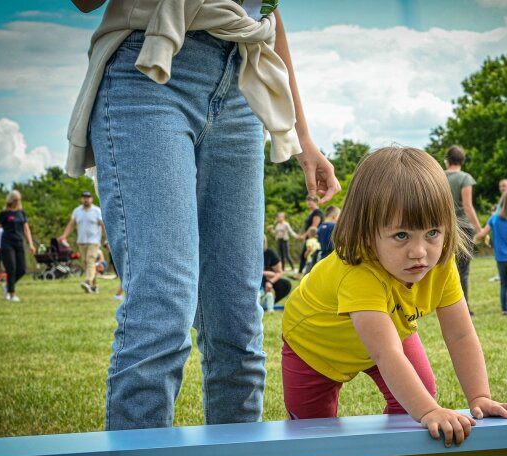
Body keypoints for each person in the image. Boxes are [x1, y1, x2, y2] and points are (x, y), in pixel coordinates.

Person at [68, 0, 340, 430]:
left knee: (238, 324)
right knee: (162, 311)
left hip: (243, 83)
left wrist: (302, 136)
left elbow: (269, 12)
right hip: (148, 71)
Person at [281, 147, 507, 447]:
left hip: (389, 332)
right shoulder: (358, 272)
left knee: (418, 394)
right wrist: (429, 411)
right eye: (401, 235)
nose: (419, 252)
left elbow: (460, 333)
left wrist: (479, 396)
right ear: (366, 233)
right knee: (312, 435)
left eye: (433, 232)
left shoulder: (440, 263)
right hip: (314, 348)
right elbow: (386, 354)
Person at [444, 145, 480, 312]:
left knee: (444, 268)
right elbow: (467, 205)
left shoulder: (441, 177)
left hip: (444, 227)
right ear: (462, 160)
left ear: (447, 160)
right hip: (464, 228)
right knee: (462, 270)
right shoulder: (465, 178)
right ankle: (463, 307)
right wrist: (479, 228)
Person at [476, 190, 507, 315]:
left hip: (500, 257)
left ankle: (504, 309)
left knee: (504, 283)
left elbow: (483, 233)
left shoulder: (494, 219)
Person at [0, 191, 36, 302]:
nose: (17, 202)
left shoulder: (21, 213)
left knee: (22, 269)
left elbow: (26, 229)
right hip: (7, 244)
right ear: (11, 200)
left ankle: (7, 286)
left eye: (19, 200)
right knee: (11, 269)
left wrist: (31, 244)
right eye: (15, 200)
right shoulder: (5, 214)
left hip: (19, 243)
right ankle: (11, 294)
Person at [59, 191, 106, 294]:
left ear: (91, 199)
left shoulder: (97, 211)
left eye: (88, 197)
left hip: (94, 241)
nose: (86, 199)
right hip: (81, 241)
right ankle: (94, 286)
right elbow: (71, 224)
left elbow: (103, 225)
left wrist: (106, 239)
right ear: (81, 199)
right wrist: (64, 236)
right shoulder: (77, 211)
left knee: (90, 260)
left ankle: (88, 281)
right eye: (84, 197)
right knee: (86, 263)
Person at [260, 235, 291, 312]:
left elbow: (279, 272)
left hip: (266, 281)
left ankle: (269, 304)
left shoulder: (269, 253)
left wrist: (270, 282)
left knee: (285, 284)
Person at [296, 196, 323, 275]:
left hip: (315, 239)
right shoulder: (311, 212)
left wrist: (304, 236)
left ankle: (300, 273)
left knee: (307, 255)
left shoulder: (317, 212)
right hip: (309, 237)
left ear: (315, 202)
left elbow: (313, 226)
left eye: (310, 201)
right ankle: (301, 273)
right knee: (305, 255)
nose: (308, 203)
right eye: (307, 201)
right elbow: (307, 226)